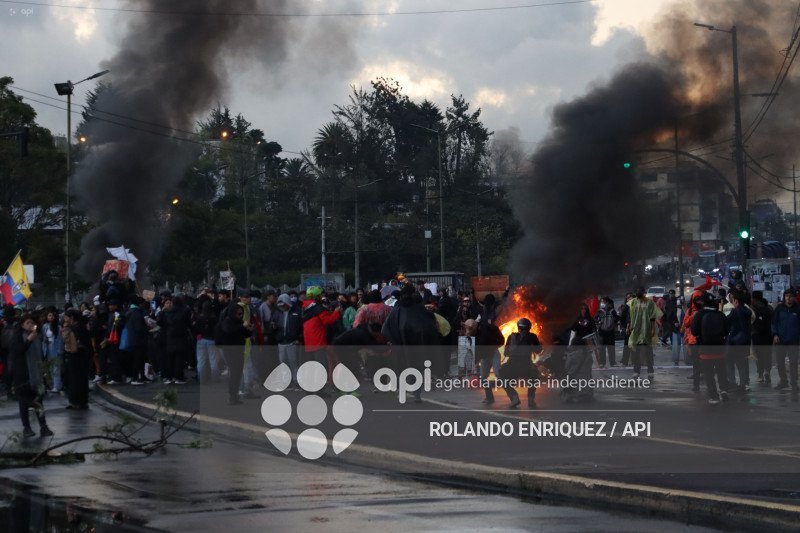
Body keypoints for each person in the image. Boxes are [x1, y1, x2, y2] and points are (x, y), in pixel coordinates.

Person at [11, 315, 53, 437]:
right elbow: (19, 352)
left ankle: (43, 426)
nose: (30, 325)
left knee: (38, 402)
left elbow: (41, 355)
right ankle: (27, 427)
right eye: (27, 323)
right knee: (24, 403)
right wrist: (28, 340)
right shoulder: (18, 337)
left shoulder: (37, 337)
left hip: (36, 375)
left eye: (32, 323)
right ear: (22, 325)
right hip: (23, 375)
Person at [690, 293, 730, 404]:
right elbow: (727, 330)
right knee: (721, 370)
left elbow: (694, 331)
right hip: (720, 348)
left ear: (703, 302)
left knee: (709, 374)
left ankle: (714, 396)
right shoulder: (720, 314)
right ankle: (723, 389)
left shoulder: (699, 314)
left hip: (705, 349)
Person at [499, 318, 543, 408]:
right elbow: (538, 350)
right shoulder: (532, 336)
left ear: (518, 327)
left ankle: (514, 397)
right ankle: (531, 399)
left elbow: (506, 353)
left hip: (512, 365)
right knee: (534, 376)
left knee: (502, 375)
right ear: (529, 327)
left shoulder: (511, 337)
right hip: (526, 365)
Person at [463, 318, 505, 404]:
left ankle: (513, 395)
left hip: (493, 353)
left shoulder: (486, 330)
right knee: (483, 377)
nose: (469, 332)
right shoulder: (471, 336)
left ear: (475, 327)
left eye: (470, 329)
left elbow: (500, 339)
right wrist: (475, 362)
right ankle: (489, 398)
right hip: (484, 357)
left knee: (498, 373)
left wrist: (496, 345)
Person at [626, 287, 661, 381]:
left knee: (648, 351)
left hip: (646, 329)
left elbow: (652, 316)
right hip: (636, 329)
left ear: (643, 292)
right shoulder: (633, 302)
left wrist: (653, 328)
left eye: (640, 291)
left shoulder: (649, 303)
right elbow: (630, 315)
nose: (638, 293)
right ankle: (636, 371)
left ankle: (650, 371)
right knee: (636, 351)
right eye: (637, 291)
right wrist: (628, 326)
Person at [771, 287, 800, 391]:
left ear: (794, 297)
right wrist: (775, 334)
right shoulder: (779, 309)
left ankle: (794, 383)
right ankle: (783, 381)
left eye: (790, 296)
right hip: (780, 340)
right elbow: (774, 323)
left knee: (793, 363)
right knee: (780, 362)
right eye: (786, 296)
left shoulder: (798, 309)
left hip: (793, 340)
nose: (788, 298)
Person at [272, 293, 303, 388]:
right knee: (283, 362)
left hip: (292, 341)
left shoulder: (297, 312)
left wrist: (299, 338)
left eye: (284, 305)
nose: (282, 307)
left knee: (294, 361)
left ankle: (296, 381)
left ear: (287, 303)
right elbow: (272, 323)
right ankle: (286, 382)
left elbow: (301, 327)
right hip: (281, 341)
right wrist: (273, 327)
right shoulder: (277, 312)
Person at [62, 308, 90, 409]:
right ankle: (82, 401)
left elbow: (67, 340)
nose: (65, 319)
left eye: (66, 317)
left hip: (75, 355)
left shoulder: (74, 328)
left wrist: (65, 329)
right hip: (83, 355)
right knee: (81, 379)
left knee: (74, 379)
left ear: (72, 318)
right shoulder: (82, 327)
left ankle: (76, 401)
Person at [726, 289, 752, 393]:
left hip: (734, 342)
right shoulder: (748, 312)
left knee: (728, 362)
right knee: (742, 364)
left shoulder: (734, 311)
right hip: (745, 341)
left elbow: (726, 321)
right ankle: (743, 384)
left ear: (736, 301)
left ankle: (732, 383)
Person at [751, 291, 773, 384]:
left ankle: (760, 375)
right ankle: (767, 371)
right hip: (768, 334)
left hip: (756, 334)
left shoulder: (752, 308)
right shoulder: (769, 307)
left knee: (758, 355)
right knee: (767, 354)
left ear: (754, 298)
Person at [594, 297, 618, 367]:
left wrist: (613, 321)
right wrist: (598, 321)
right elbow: (595, 318)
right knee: (601, 348)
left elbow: (617, 318)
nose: (602, 303)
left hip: (610, 332)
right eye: (601, 302)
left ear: (607, 303)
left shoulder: (612, 311)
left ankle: (612, 362)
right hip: (602, 332)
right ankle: (602, 362)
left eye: (603, 302)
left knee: (611, 348)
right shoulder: (600, 311)